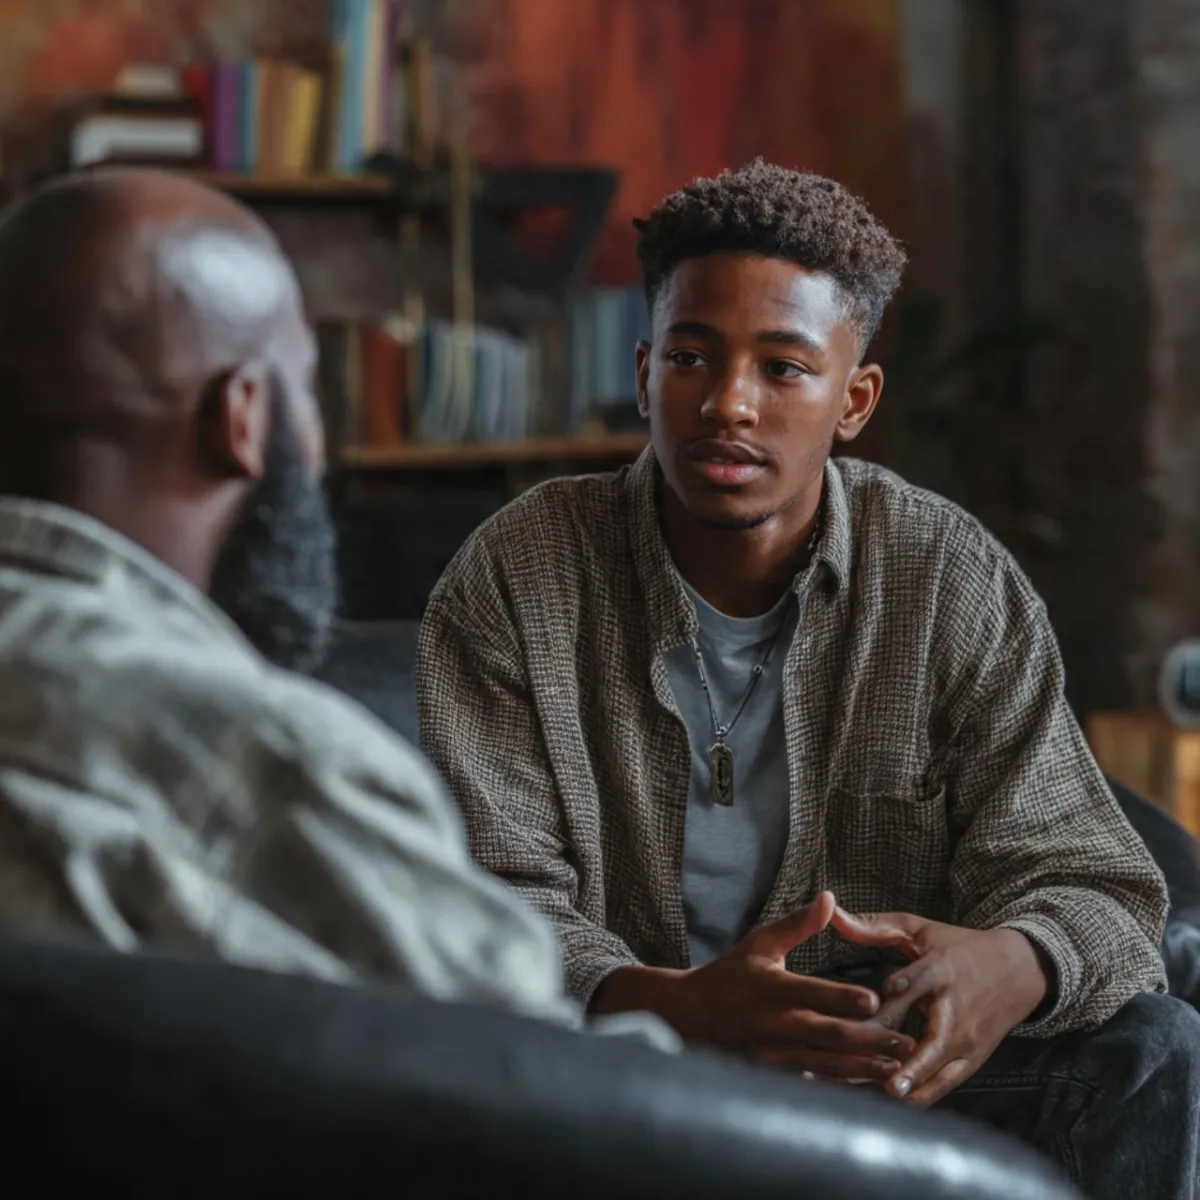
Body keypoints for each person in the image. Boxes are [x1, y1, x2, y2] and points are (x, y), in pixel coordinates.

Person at [418, 159, 1200, 1198]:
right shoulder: (518, 575)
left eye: (783, 368)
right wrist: (670, 1005)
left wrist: (1017, 963)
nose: (727, 404)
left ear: (854, 400)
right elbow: (481, 907)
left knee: (1154, 1047)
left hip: (891, 1075)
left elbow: (1095, 879)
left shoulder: (946, 577)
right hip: (629, 1079)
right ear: (645, 374)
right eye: (691, 357)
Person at [0, 166, 586, 1027]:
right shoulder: (273, 763)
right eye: (307, 389)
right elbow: (556, 1081)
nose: (317, 440)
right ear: (241, 416)